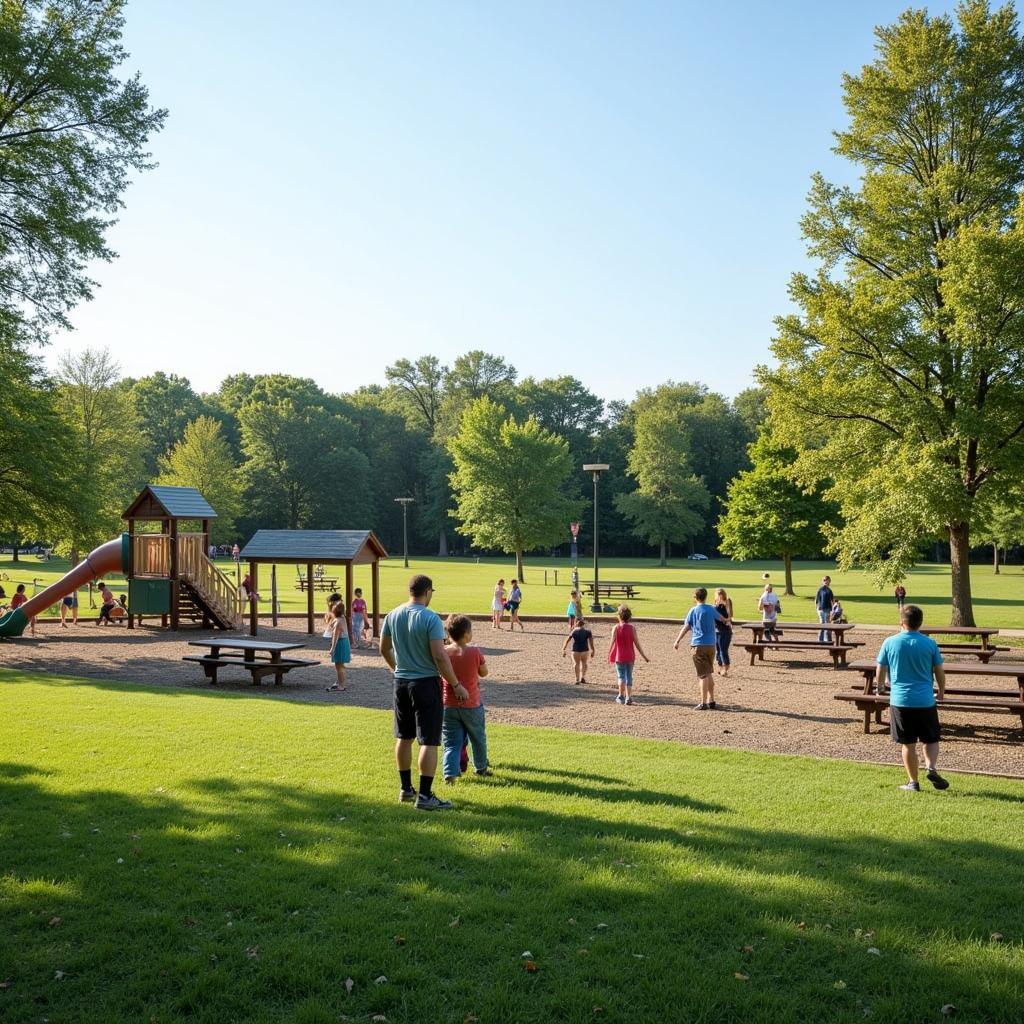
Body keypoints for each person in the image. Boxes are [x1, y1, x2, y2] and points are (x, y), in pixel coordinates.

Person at [380, 574, 469, 811]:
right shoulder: (430, 618)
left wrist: (396, 668)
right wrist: (456, 685)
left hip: (401, 683)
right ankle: (426, 795)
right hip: (425, 683)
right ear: (428, 592)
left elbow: (384, 648)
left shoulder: (393, 614)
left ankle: (406, 789)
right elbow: (440, 656)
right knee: (428, 740)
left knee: (404, 737)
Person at [875, 604, 949, 792]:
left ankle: (913, 782)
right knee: (930, 739)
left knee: (908, 743)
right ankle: (931, 767)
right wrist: (941, 690)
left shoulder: (890, 642)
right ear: (920, 623)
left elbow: (881, 668)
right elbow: (939, 670)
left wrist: (880, 687)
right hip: (925, 699)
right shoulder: (929, 643)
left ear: (902, 621)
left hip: (901, 700)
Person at [441, 614, 491, 783]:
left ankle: (450, 773)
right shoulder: (474, 651)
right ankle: (481, 768)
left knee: (451, 741)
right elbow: (484, 672)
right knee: (478, 738)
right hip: (472, 704)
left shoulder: (444, 652)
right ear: (467, 634)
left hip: (449, 704)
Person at [674, 587, 731, 710]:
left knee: (703, 675)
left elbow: (686, 627)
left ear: (695, 597)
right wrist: (728, 618)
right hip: (711, 645)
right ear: (705, 597)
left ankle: (703, 702)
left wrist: (678, 640)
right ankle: (712, 700)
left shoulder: (693, 611)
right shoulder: (711, 609)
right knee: (709, 672)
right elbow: (722, 619)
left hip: (698, 645)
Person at [608, 604, 649, 705]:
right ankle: (628, 697)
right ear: (629, 617)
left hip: (619, 656)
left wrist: (609, 653)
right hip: (630, 656)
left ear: (619, 616)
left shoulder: (616, 628)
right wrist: (644, 656)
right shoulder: (632, 628)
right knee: (629, 676)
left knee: (621, 676)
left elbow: (612, 642)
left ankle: (621, 695)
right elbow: (637, 643)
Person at [562, 615, 595, 684]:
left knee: (576, 664)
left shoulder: (574, 631)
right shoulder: (588, 631)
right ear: (583, 623)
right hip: (585, 650)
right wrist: (593, 650)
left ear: (576, 622)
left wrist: (564, 649)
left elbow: (567, 640)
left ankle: (577, 679)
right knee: (584, 663)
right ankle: (582, 677)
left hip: (575, 650)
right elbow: (591, 642)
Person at [327, 601, 351, 691]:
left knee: (339, 666)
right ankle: (340, 682)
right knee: (341, 665)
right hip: (344, 642)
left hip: (340, 643)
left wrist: (332, 648)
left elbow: (335, 636)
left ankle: (341, 685)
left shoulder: (338, 622)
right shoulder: (342, 618)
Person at [713, 587, 734, 677]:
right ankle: (720, 667)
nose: (719, 597)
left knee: (723, 649)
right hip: (717, 630)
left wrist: (725, 620)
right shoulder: (715, 605)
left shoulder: (727, 602)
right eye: (718, 595)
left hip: (725, 630)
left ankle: (725, 668)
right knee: (718, 650)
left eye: (720, 594)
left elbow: (730, 615)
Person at [815, 575, 835, 644]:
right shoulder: (820, 590)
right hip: (821, 609)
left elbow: (833, 601)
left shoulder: (829, 591)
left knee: (827, 625)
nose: (826, 582)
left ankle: (828, 639)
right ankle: (821, 639)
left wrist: (833, 610)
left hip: (828, 609)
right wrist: (817, 609)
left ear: (829, 582)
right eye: (824, 580)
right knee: (823, 624)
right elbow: (817, 600)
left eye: (827, 581)